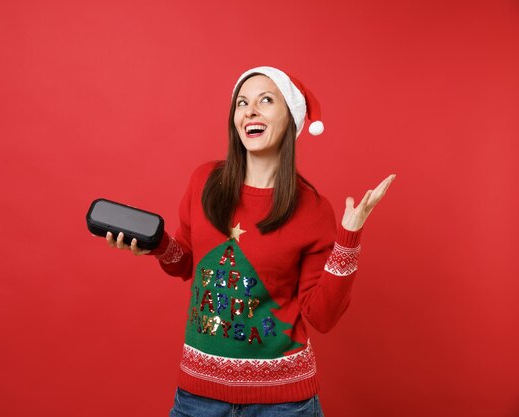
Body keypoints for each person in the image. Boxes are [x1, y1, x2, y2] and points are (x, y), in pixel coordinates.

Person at [100, 66, 395, 417]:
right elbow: (185, 262)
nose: (250, 110)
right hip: (198, 397)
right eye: (242, 103)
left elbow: (322, 316)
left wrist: (349, 238)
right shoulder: (204, 181)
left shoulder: (313, 209)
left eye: (265, 100)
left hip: (284, 403)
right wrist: (157, 244)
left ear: (290, 117)